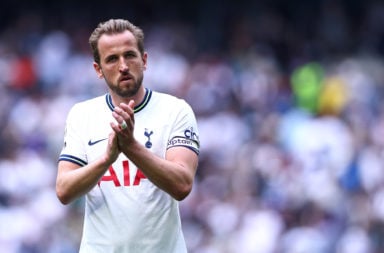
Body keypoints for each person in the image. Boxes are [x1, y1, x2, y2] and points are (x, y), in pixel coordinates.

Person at [56, 18, 200, 253]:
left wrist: (130, 146)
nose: (123, 65)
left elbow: (182, 184)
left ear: (144, 60)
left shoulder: (175, 110)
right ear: (98, 70)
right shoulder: (81, 115)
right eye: (112, 59)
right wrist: (106, 159)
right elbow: (64, 189)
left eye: (130, 55)